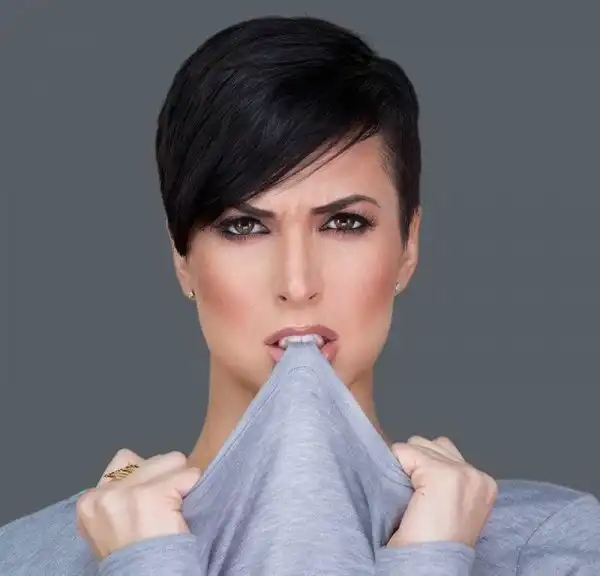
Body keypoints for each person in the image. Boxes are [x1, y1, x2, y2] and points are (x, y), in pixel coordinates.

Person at [1, 14, 599, 576]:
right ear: (182, 258)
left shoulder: (550, 545)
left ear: (408, 245)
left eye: (344, 223)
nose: (297, 283)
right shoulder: (25, 558)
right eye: (243, 226)